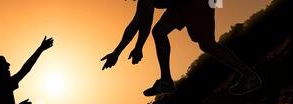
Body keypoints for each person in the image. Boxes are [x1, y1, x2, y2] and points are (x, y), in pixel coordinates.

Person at [101, 0, 262, 96]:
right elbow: (137, 22)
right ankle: (166, 81)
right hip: (180, 5)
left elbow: (144, 25)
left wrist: (138, 47)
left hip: (196, 2)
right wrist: (117, 53)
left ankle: (250, 76)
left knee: (207, 44)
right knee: (159, 32)